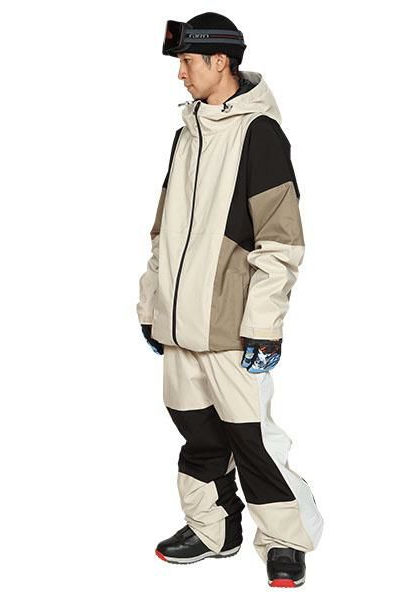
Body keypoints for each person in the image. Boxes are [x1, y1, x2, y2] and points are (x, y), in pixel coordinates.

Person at [136, 12, 323, 588]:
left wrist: (263, 326)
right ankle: (212, 529)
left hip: (231, 332)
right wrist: (151, 306)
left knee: (252, 442)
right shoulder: (187, 133)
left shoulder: (259, 135)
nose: (180, 74)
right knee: (198, 437)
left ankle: (286, 539)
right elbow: (163, 231)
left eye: (187, 62)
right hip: (178, 326)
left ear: (221, 62)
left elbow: (280, 243)